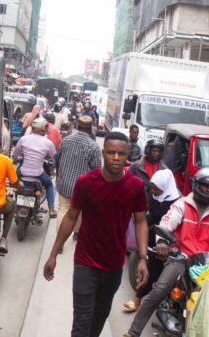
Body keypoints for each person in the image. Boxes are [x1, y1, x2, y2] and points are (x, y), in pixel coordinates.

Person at [44, 132, 149, 337]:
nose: (116, 158)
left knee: (99, 317)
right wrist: (53, 254)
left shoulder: (135, 186)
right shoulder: (85, 182)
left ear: (127, 156)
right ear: (102, 153)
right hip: (86, 263)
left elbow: (140, 221)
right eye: (111, 153)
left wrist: (143, 259)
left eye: (121, 154)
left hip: (114, 266)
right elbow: (71, 217)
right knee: (81, 324)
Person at [125, 168, 209, 337]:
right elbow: (167, 222)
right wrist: (163, 241)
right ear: (197, 185)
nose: (208, 190)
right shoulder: (182, 204)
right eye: (205, 186)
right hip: (182, 258)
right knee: (159, 290)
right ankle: (133, 332)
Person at [122, 168, 180, 313]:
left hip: (167, 240)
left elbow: (170, 223)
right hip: (150, 234)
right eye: (152, 187)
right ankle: (138, 298)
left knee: (160, 271)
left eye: (156, 188)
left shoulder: (177, 203)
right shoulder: (152, 195)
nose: (153, 191)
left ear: (165, 186)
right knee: (149, 267)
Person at [54, 116, 101, 250]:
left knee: (63, 210)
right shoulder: (93, 146)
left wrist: (58, 176)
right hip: (83, 188)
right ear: (90, 129)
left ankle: (60, 243)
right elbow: (97, 170)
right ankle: (76, 232)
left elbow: (57, 160)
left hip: (64, 184)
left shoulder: (66, 140)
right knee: (79, 210)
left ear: (77, 126)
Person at [12, 118, 58, 218]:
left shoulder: (23, 139)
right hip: (39, 174)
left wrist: (15, 160)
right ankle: (51, 209)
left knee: (16, 182)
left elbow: (15, 155)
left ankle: (15, 202)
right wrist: (55, 165)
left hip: (23, 172)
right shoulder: (48, 143)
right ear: (43, 129)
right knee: (49, 185)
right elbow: (55, 159)